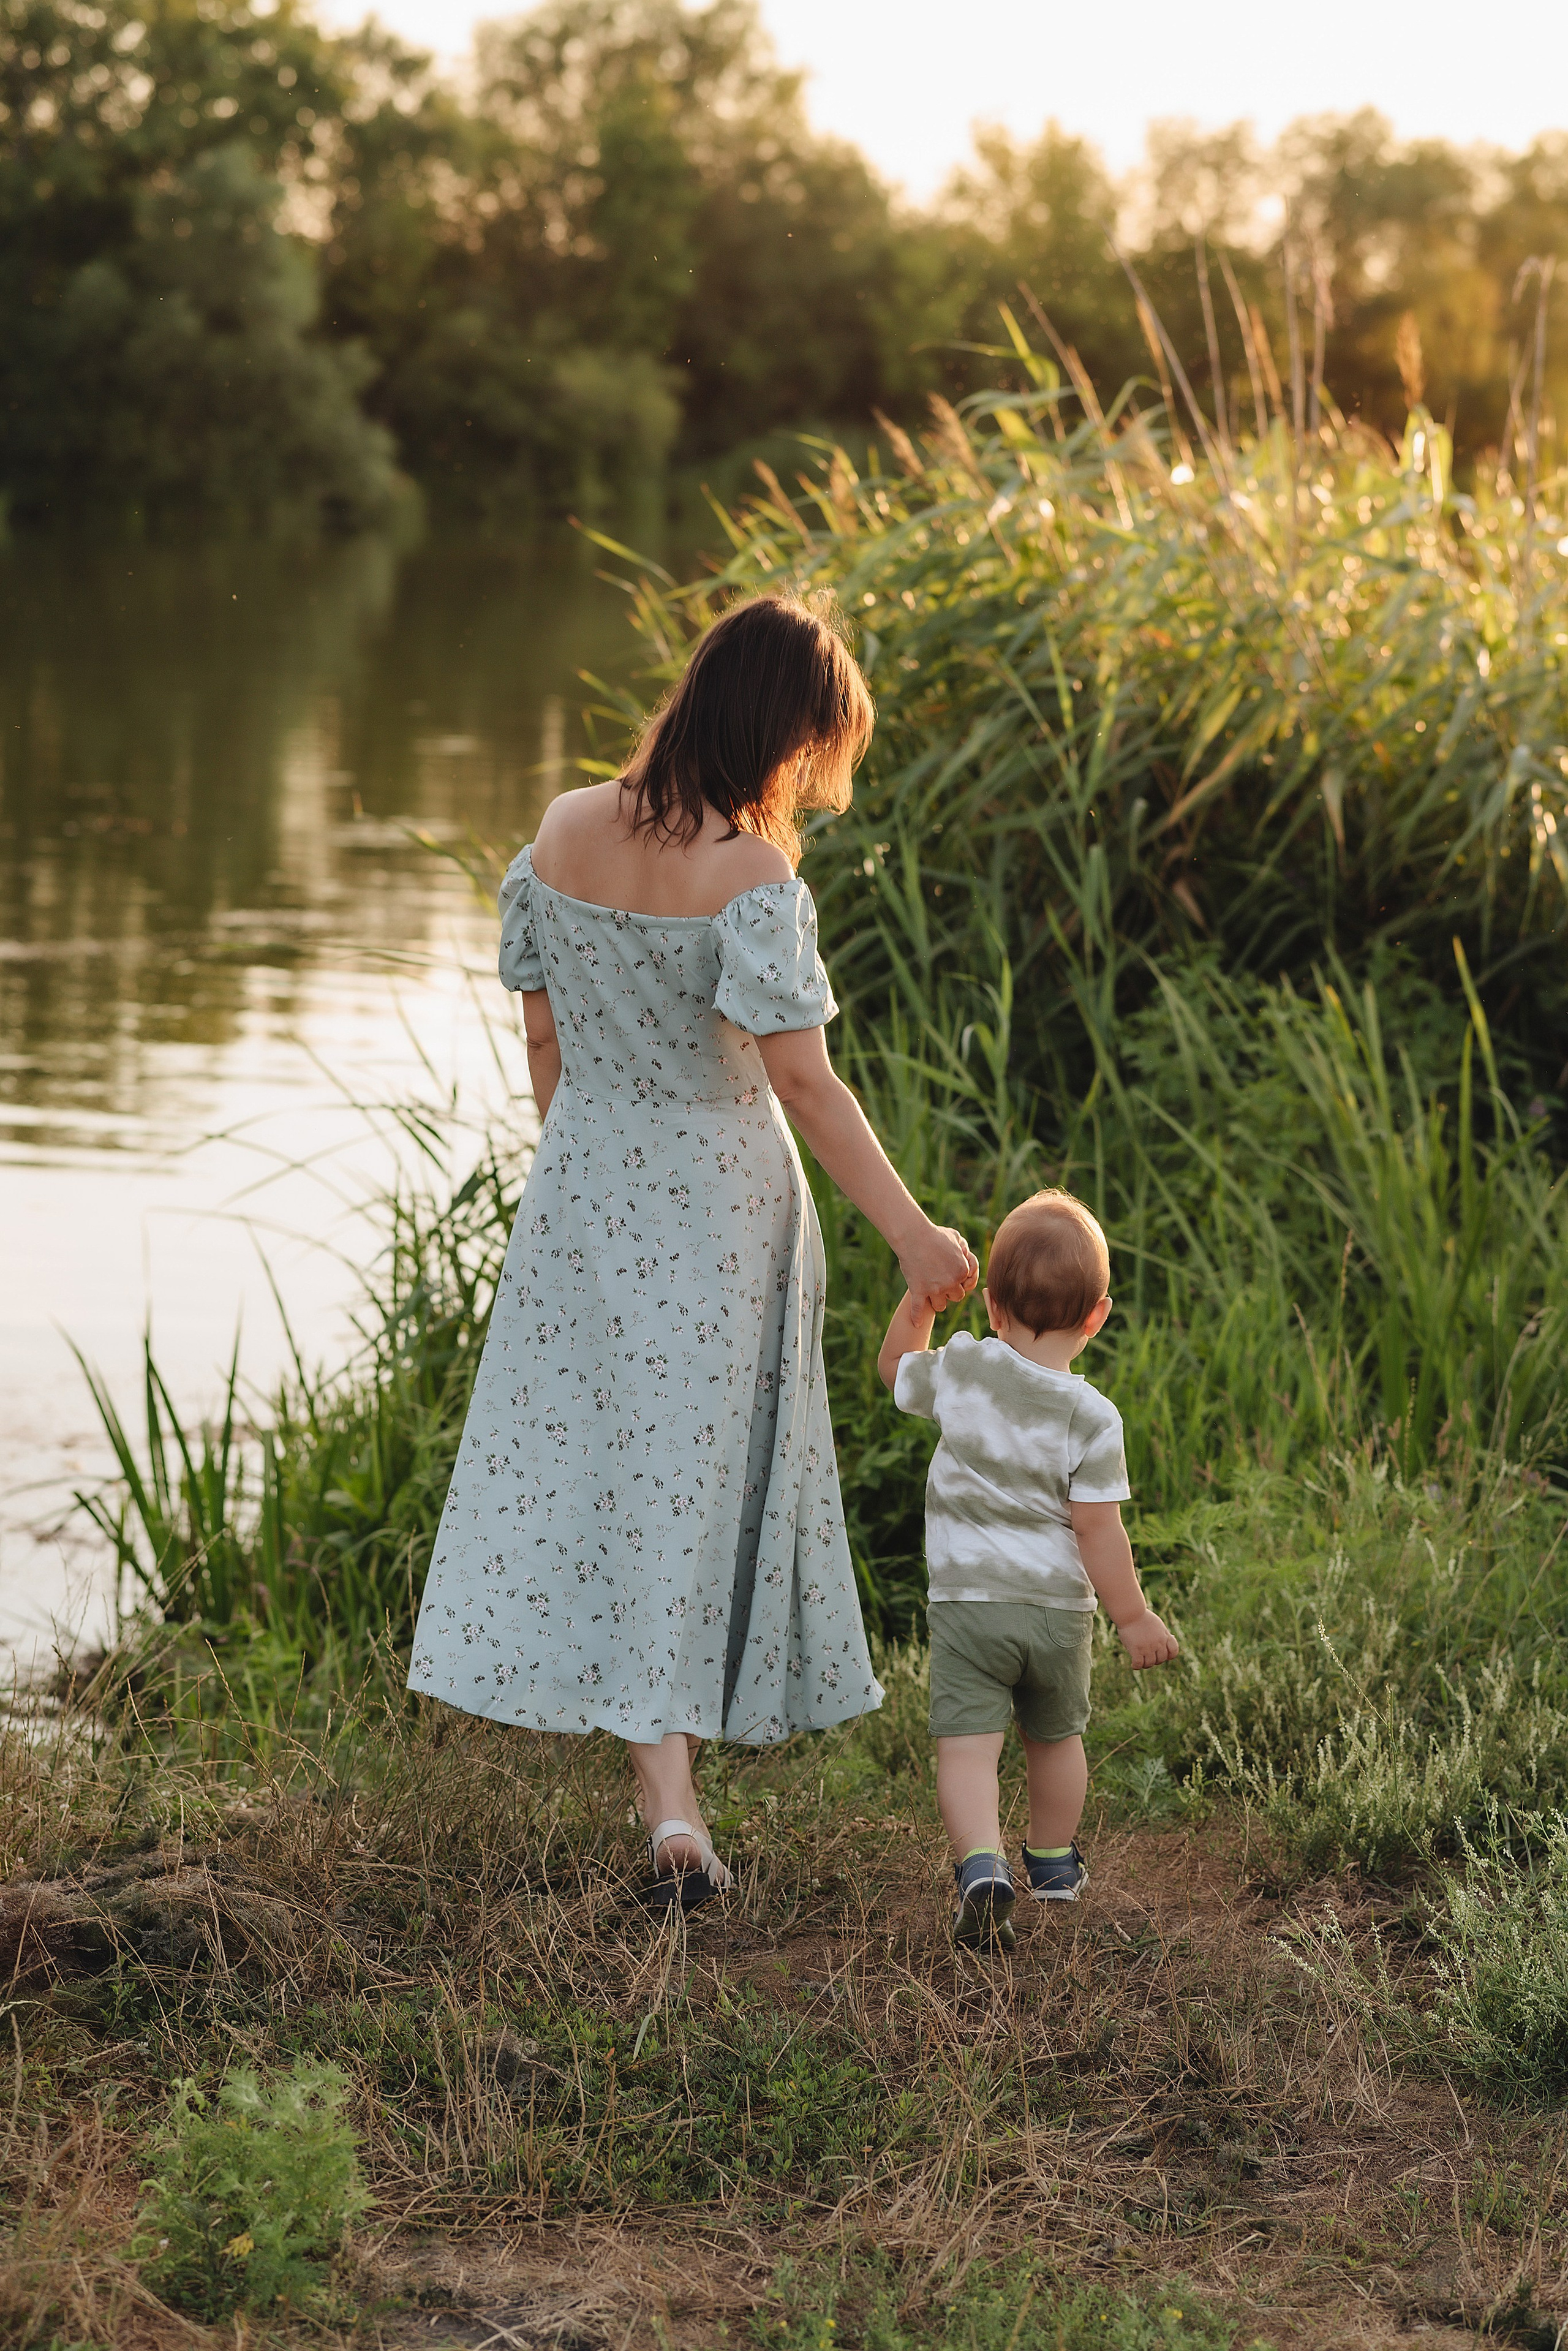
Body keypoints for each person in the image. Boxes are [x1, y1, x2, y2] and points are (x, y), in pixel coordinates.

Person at [409, 593, 978, 1912]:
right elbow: (806, 1086)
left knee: (617, 1477)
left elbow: (542, 1043)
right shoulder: (750, 876)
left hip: (583, 1188)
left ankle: (665, 1793)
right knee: (679, 1486)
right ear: (776, 733)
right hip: (716, 1210)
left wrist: (582, 1167)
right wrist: (915, 1232)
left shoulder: (556, 830)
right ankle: (669, 1811)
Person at [877, 1187, 1178, 1952]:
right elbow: (1097, 1528)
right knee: (1056, 1738)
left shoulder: (964, 1369)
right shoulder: (1092, 1416)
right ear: (1096, 1316)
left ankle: (981, 1864)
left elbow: (893, 1367)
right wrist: (1133, 1617)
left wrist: (921, 1300)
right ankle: (1051, 1862)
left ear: (995, 1303)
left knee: (968, 1748)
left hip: (970, 1606)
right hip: (1056, 1613)